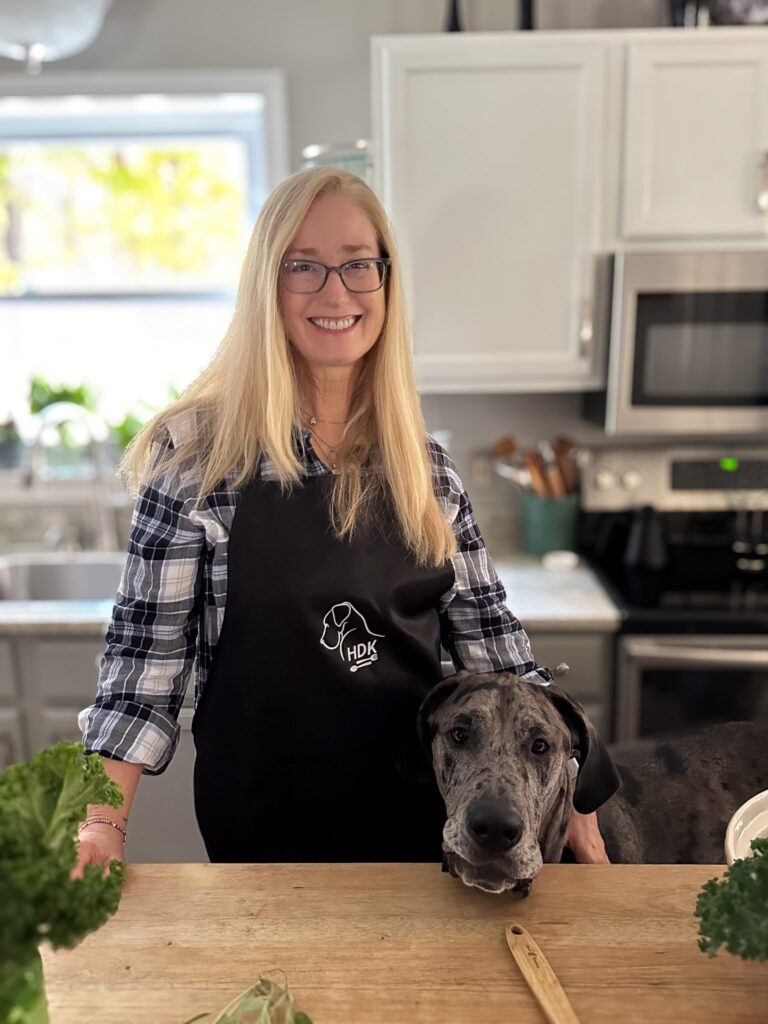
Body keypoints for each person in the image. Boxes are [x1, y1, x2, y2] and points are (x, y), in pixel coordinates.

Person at [73, 167, 614, 876]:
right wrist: (99, 823)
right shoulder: (197, 466)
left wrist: (577, 807)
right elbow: (141, 675)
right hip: (259, 825)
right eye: (305, 267)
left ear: (386, 282)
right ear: (267, 286)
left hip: (425, 825)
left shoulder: (428, 474)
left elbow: (498, 655)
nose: (337, 292)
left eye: (359, 265)